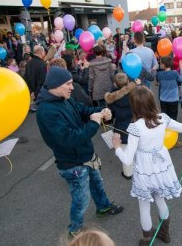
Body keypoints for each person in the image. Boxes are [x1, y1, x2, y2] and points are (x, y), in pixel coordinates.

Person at [36, 67, 124, 238]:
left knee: (97, 182)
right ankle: (75, 228)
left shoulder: (65, 98)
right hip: (71, 163)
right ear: (55, 85)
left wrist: (100, 113)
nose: (72, 87)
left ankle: (103, 206)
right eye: (68, 84)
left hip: (85, 154)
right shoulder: (46, 111)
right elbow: (69, 139)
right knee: (81, 198)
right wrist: (94, 124)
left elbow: (83, 110)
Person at [112, 86, 182, 245]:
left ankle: (147, 240)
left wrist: (117, 147)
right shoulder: (163, 118)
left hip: (144, 171)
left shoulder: (135, 127)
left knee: (144, 207)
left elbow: (127, 159)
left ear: (134, 105)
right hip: (161, 166)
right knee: (161, 201)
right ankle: (165, 234)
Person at [104, 73, 139, 180]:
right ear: (128, 82)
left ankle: (128, 173)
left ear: (115, 83)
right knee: (137, 146)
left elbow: (111, 115)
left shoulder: (112, 98)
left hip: (121, 126)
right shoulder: (135, 93)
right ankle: (139, 167)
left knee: (125, 150)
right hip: (135, 123)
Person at [156, 56, 182, 121]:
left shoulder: (159, 74)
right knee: (173, 118)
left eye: (160, 63)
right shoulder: (175, 73)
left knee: (164, 118)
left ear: (163, 65)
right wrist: (181, 68)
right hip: (173, 99)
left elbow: (158, 82)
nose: (159, 64)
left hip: (163, 99)